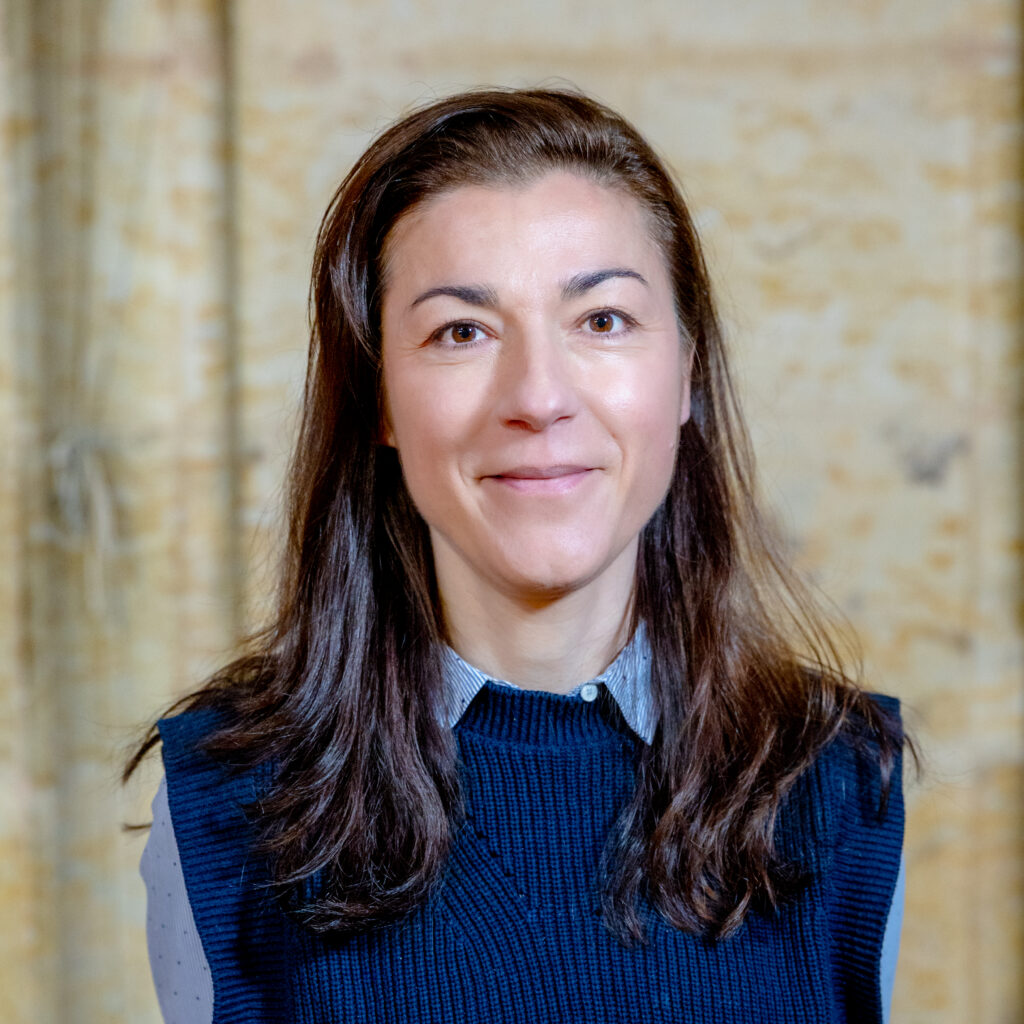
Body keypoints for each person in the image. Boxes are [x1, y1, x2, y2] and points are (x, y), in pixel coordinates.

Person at [128, 86, 911, 1023]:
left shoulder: (838, 780)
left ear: (686, 369)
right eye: (462, 332)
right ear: (378, 398)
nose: (539, 397)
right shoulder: (228, 804)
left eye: (602, 320)